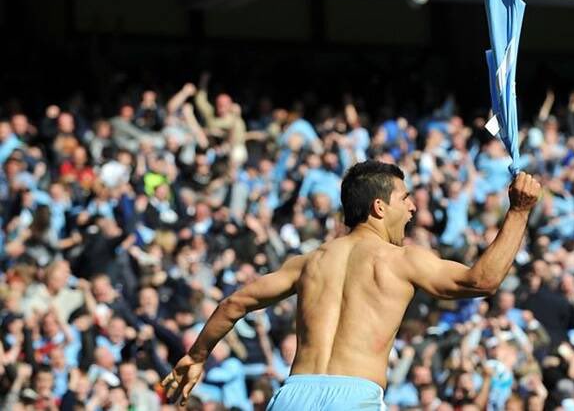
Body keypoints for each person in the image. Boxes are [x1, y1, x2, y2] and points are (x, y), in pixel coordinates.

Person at [161, 160, 541, 409]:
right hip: (354, 396)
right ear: (379, 207)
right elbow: (484, 280)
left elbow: (235, 303)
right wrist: (519, 211)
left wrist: (196, 356)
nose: (412, 208)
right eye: (405, 199)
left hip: (292, 397)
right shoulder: (401, 260)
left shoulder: (310, 261)